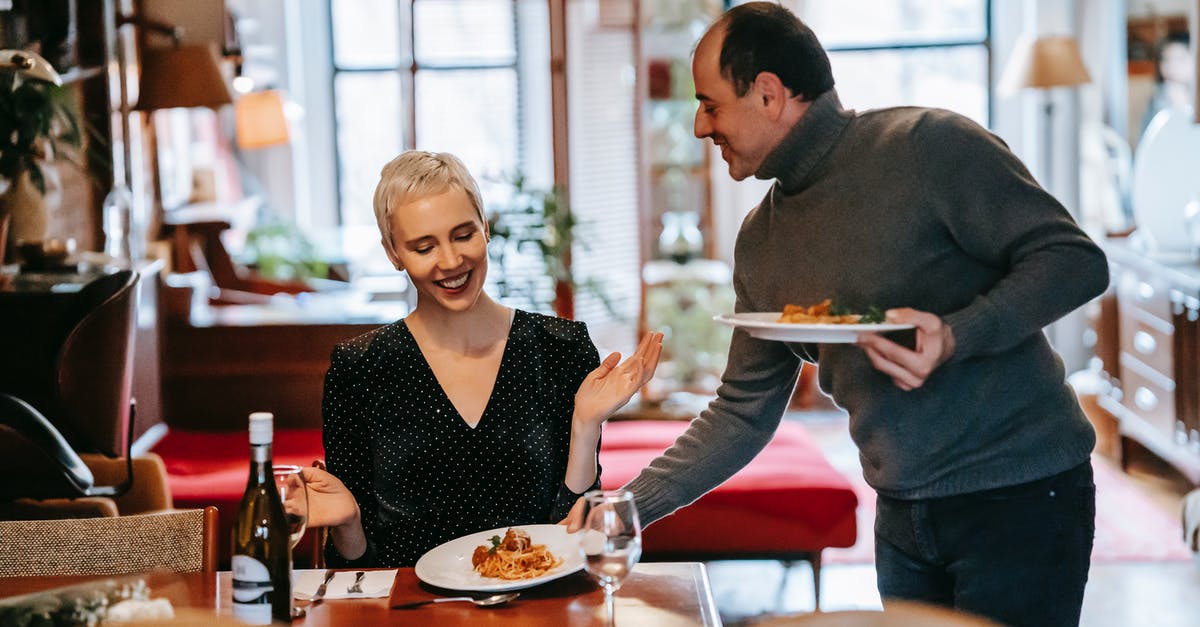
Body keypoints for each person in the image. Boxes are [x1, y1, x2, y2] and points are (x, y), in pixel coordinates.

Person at [572, 4, 1109, 626]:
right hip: (901, 515)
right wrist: (620, 509)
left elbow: (1075, 261)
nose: (698, 126)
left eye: (710, 105)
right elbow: (742, 412)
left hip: (1020, 497)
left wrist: (956, 336)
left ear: (768, 94)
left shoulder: (929, 146)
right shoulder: (761, 239)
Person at [300, 150, 662, 567]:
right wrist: (347, 523)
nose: (451, 261)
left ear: (485, 227)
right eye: (424, 247)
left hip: (533, 598)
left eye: (463, 235)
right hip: (412, 602)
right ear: (393, 253)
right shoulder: (359, 369)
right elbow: (356, 567)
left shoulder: (560, 348)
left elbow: (573, 536)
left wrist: (585, 425)